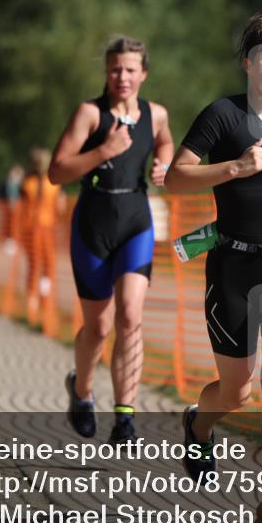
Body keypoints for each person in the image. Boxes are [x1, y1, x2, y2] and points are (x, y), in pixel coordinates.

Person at [164, 10, 262, 523]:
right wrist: (233, 168)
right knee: (238, 392)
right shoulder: (223, 116)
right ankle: (198, 425)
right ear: (249, 63)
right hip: (232, 265)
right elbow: (175, 177)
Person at [49, 36, 174, 445]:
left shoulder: (155, 114)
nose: (123, 76)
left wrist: (165, 161)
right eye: (116, 69)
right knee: (99, 327)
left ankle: (125, 416)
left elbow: (166, 140)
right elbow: (57, 172)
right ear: (107, 72)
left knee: (130, 317)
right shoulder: (90, 113)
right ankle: (82, 393)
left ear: (143, 74)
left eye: (131, 69)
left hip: (136, 220)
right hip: (93, 224)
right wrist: (104, 150)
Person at [20, 149, 65, 324]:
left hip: (34, 227)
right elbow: (59, 207)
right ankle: (39, 300)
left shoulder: (27, 182)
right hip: (40, 227)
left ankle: (35, 301)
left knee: (38, 265)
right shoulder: (50, 183)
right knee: (44, 265)